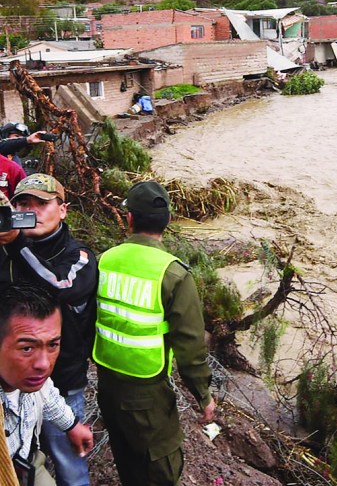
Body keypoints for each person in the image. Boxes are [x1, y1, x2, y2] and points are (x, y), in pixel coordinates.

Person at [94, 180, 215, 486]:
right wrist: (204, 397)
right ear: (168, 221)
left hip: (107, 387)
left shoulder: (105, 260)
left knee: (127, 462)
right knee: (162, 470)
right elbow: (190, 346)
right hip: (147, 395)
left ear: (130, 218)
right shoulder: (173, 273)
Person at [0, 175, 97, 486]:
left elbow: (61, 286)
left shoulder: (78, 256)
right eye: (23, 204)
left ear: (63, 210)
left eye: (42, 204)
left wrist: (18, 245)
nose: (33, 211)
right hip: (9, 389)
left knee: (71, 469)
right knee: (19, 459)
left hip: (61, 385)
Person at [1, 285, 94, 486]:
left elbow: (47, 393)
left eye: (52, 345)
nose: (43, 364)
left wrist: (71, 425)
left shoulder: (30, 378)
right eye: (26, 348)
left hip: (26, 461)